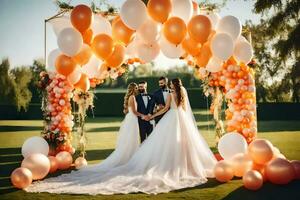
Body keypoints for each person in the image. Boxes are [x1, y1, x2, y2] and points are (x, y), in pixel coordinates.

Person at [25, 78, 217, 195]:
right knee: (182, 143)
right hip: (180, 119)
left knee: (172, 143)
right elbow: (177, 109)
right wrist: (153, 115)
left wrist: (153, 115)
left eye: (171, 85)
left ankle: (179, 165)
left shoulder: (172, 94)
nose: (171, 87)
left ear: (173, 86)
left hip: (171, 119)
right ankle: (182, 165)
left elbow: (166, 109)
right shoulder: (181, 93)